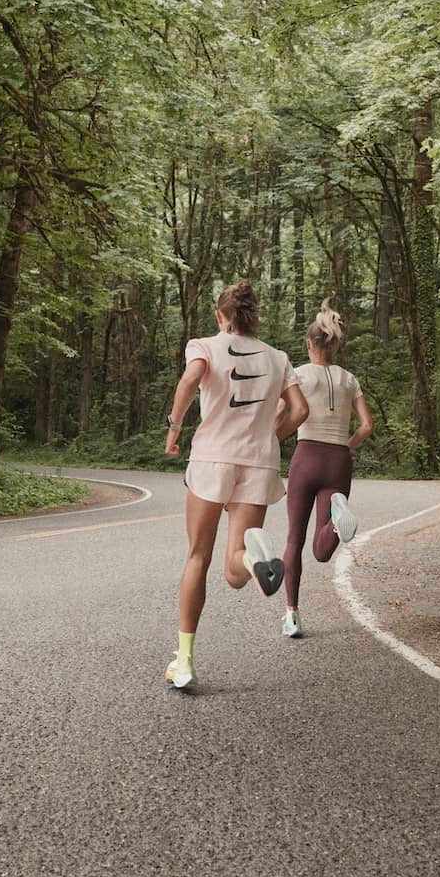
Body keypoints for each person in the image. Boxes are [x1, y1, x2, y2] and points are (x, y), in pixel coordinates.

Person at [162, 280, 308, 691]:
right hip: (258, 464)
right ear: (253, 317)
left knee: (197, 557)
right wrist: (270, 437)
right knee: (233, 569)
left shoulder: (204, 346)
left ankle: (184, 662)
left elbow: (189, 380)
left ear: (220, 316)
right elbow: (300, 409)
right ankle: (252, 561)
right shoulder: (278, 358)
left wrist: (174, 429)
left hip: (212, 460)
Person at [279, 301, 374, 639]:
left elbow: (282, 414)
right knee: (322, 551)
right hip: (338, 461)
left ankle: (292, 615)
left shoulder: (299, 375)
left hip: (306, 457)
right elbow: (367, 425)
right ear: (334, 345)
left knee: (295, 538)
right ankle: (337, 518)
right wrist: (347, 445)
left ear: (309, 343)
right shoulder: (350, 379)